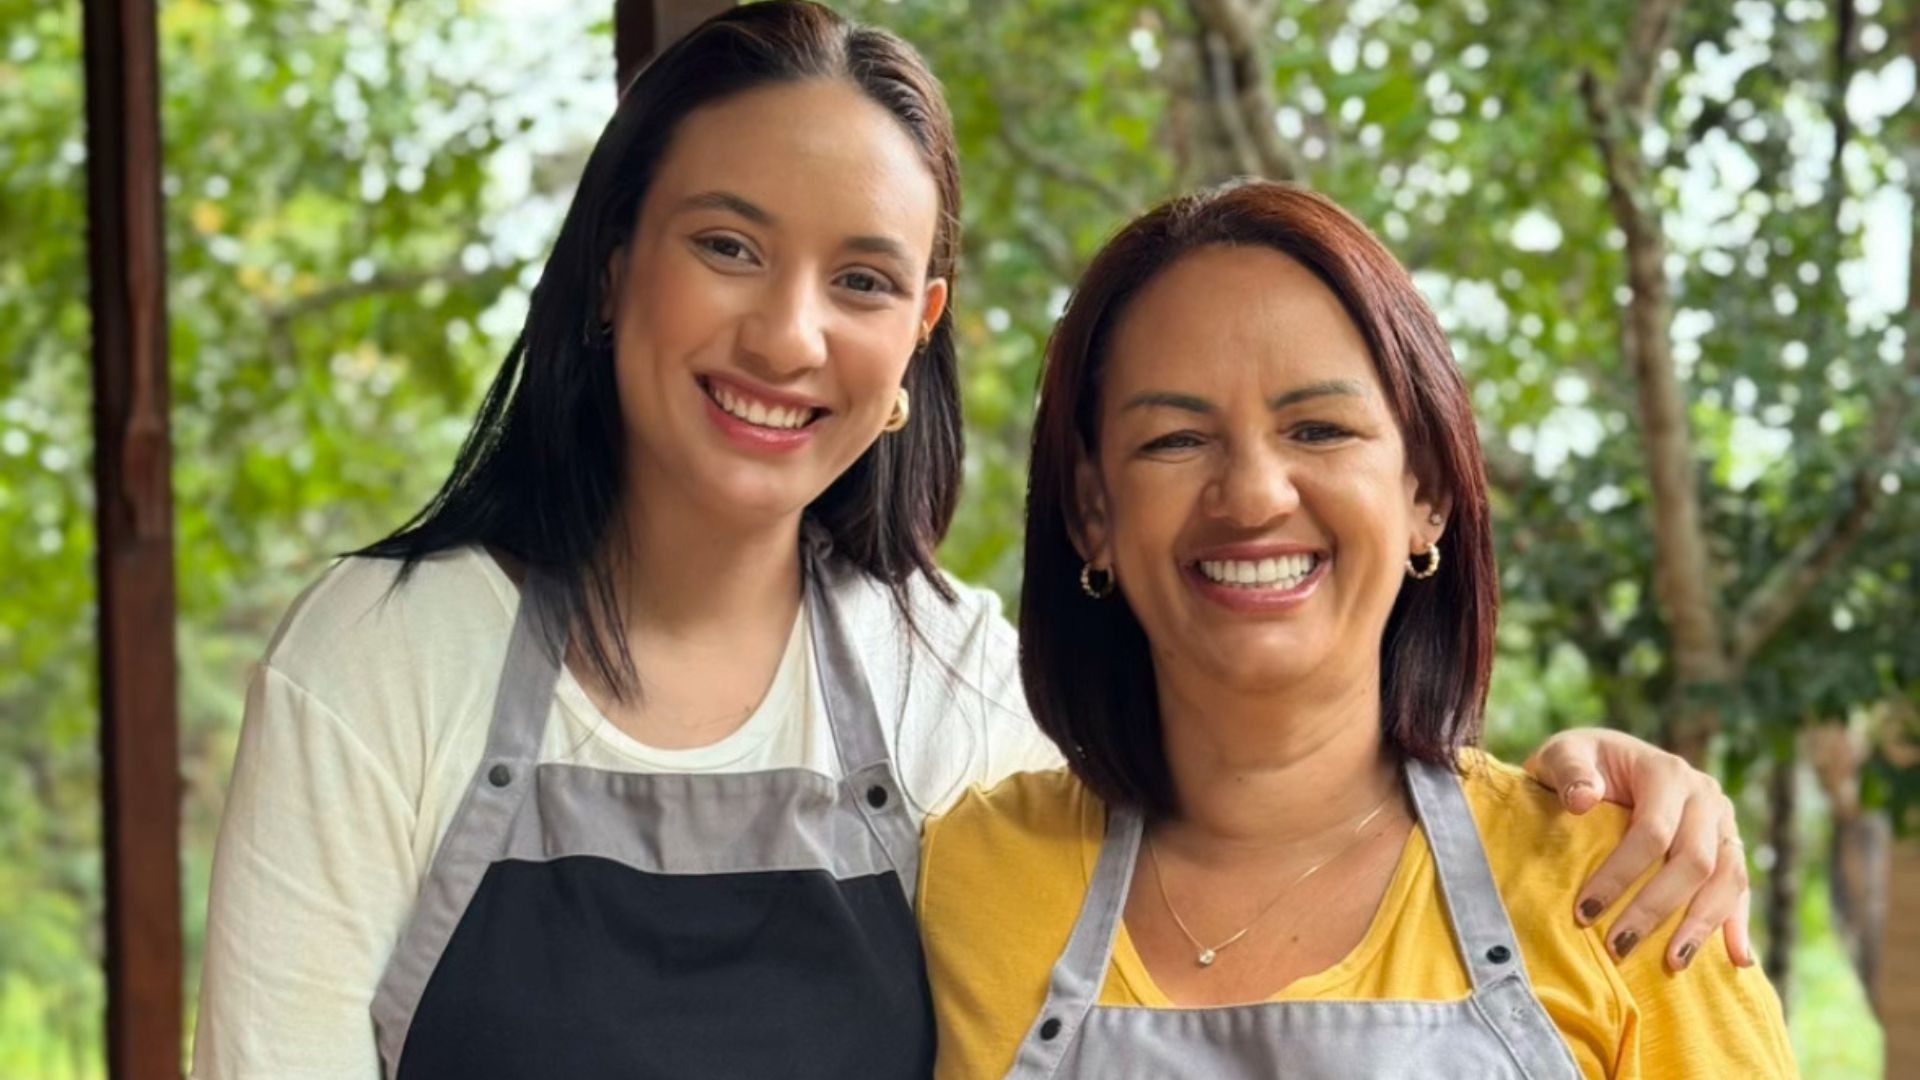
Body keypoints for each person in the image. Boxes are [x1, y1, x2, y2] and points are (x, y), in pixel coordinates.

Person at [193, 5, 1755, 1079]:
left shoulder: (947, 684)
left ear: (919, 334)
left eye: (863, 280)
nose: (789, 332)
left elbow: (1289, 752)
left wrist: (1626, 789)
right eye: (728, 246)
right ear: (613, 268)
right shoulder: (389, 659)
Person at [918, 182, 1794, 1078]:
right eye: (1177, 440)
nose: (1254, 495)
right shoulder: (970, 876)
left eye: (1319, 428)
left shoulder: (1627, 884)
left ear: (1428, 494)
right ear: (1092, 511)